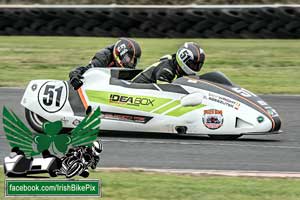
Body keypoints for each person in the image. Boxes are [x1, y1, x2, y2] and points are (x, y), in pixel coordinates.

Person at [69, 38, 142, 90]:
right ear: (120, 53)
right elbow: (87, 70)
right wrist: (74, 74)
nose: (131, 63)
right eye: (128, 59)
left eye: (134, 61)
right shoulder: (103, 56)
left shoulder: (128, 66)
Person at [132, 42, 205, 84]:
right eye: (193, 64)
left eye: (198, 65)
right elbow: (164, 90)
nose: (195, 68)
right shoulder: (167, 70)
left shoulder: (177, 67)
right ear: (183, 59)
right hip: (137, 88)